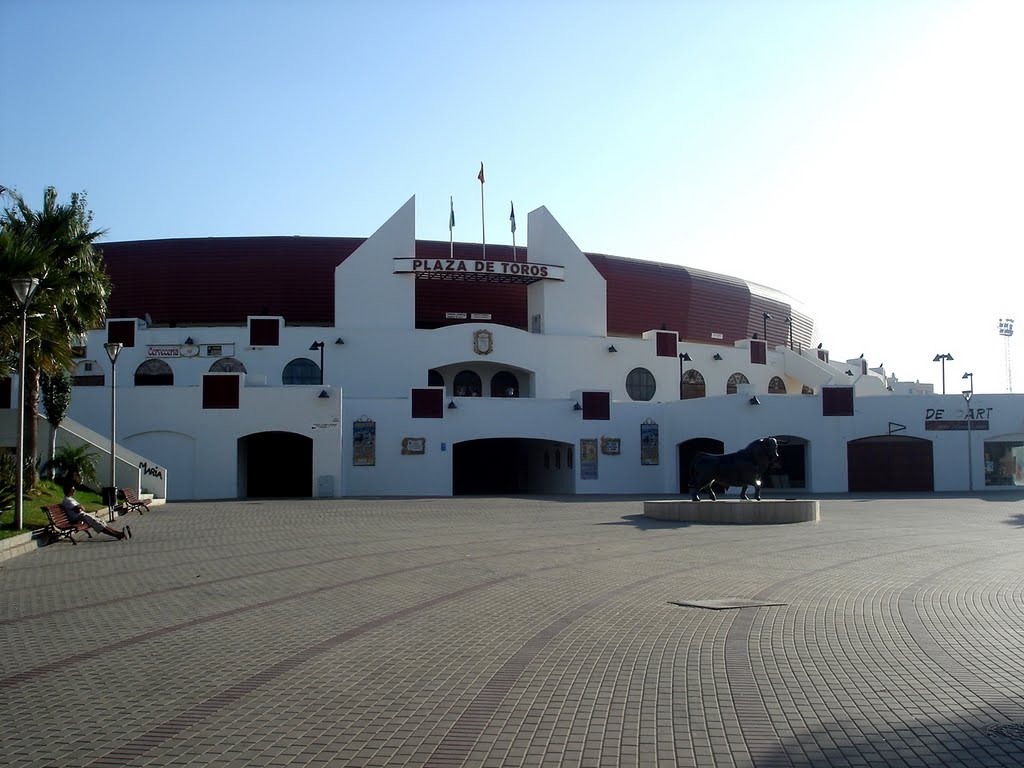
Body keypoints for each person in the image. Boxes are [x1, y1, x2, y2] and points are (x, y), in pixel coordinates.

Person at [60, 483, 131, 541]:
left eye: (74, 489)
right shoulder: (67, 500)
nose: (74, 491)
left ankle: (117, 533)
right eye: (72, 490)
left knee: (100, 521)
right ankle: (117, 535)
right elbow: (78, 509)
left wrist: (80, 507)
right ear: (68, 490)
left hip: (81, 515)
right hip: (78, 517)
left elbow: (81, 508)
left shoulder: (70, 499)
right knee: (97, 523)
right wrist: (80, 507)